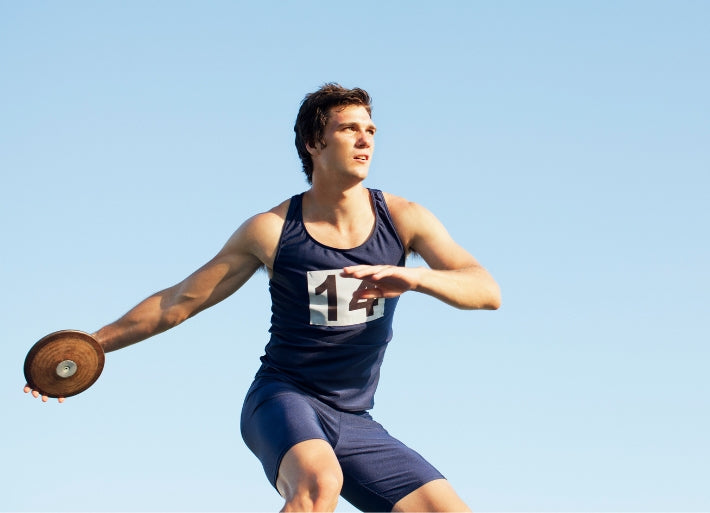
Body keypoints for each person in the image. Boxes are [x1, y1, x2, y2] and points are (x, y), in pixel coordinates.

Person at [24, 83, 501, 512]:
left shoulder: (404, 218)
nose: (365, 140)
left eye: (371, 130)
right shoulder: (271, 230)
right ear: (315, 143)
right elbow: (179, 301)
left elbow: (485, 289)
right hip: (283, 398)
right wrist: (88, 345)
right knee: (319, 483)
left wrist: (414, 278)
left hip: (355, 418)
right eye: (349, 129)